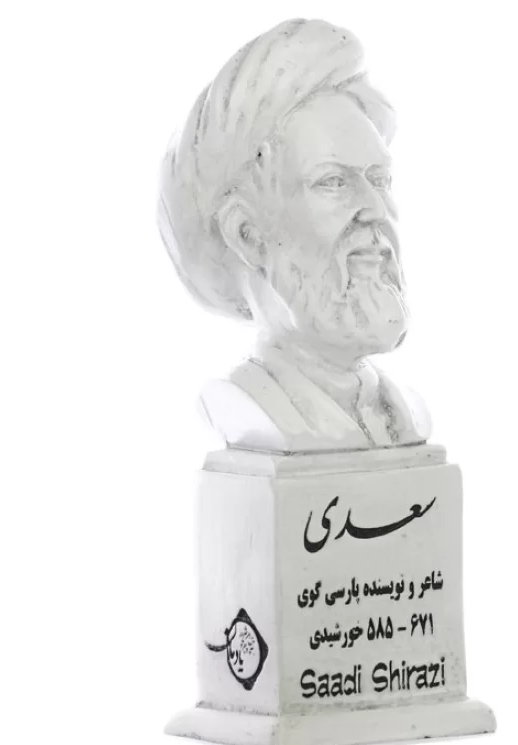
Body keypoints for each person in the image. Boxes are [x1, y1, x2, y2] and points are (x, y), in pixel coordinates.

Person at [158, 18, 431, 452]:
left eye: (380, 180)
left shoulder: (406, 416)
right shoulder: (251, 414)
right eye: (334, 182)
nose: (378, 210)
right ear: (248, 235)